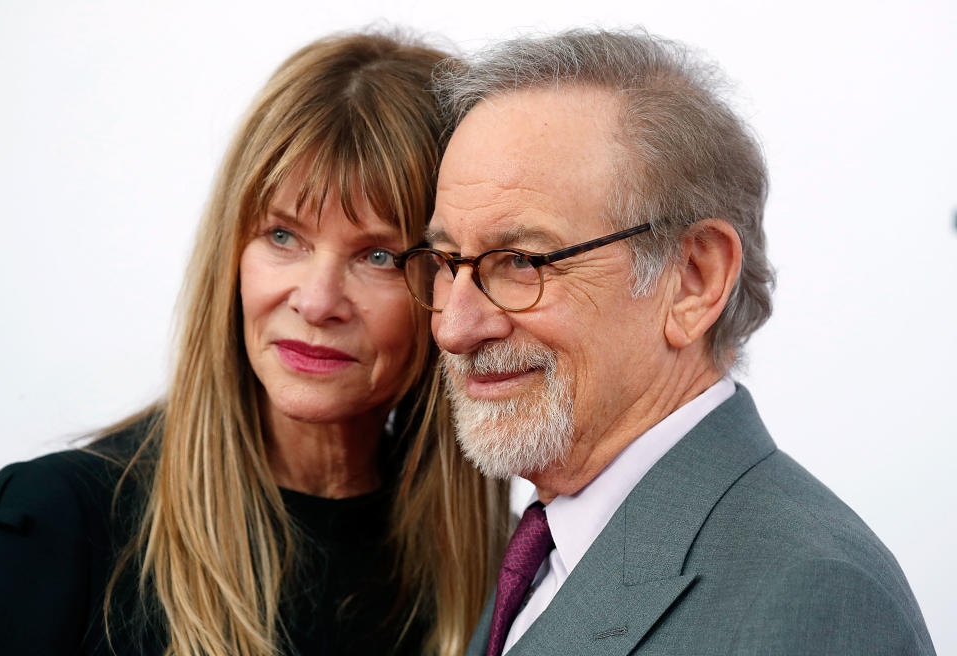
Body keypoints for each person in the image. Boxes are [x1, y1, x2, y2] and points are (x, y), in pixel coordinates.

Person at [394, 29, 937, 655]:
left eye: (521, 261)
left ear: (693, 280)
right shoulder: (531, 552)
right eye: (443, 261)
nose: (454, 327)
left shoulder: (813, 597)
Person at [0, 31, 509, 656]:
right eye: (283, 237)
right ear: (232, 251)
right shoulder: (55, 526)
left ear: (448, 280)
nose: (317, 301)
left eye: (379, 255)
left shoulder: (507, 571)